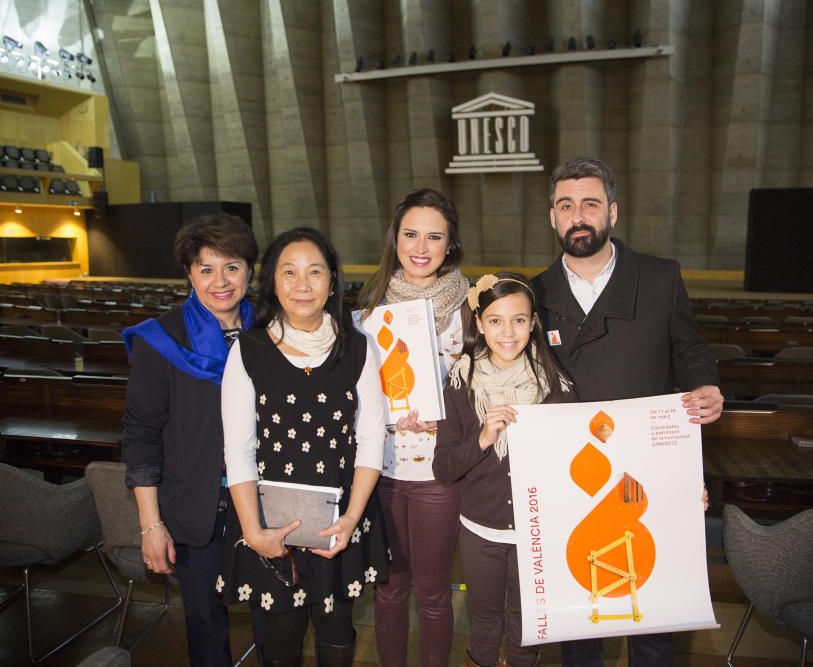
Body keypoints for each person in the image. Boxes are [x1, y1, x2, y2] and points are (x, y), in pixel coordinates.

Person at [532, 157, 723, 667]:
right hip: (575, 475)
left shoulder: (660, 278)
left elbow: (689, 347)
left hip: (647, 468)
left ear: (612, 212)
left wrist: (706, 384)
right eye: (566, 205)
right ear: (552, 217)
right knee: (581, 602)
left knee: (652, 606)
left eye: (590, 204)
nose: (578, 215)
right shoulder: (533, 293)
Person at [220, 227, 391, 667]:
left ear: (332, 281)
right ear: (272, 283)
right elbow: (237, 448)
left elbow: (371, 437)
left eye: (314, 272)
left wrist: (351, 518)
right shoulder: (249, 350)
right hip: (267, 522)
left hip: (340, 521)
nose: (302, 285)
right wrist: (253, 531)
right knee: (280, 641)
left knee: (336, 635)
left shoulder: (357, 347)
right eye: (289, 272)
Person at [121, 212, 262, 665]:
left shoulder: (271, 333)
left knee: (275, 621)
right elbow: (141, 437)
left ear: (249, 271)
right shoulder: (159, 339)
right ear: (189, 273)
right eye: (206, 269)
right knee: (205, 626)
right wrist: (150, 523)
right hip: (196, 509)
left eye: (232, 266)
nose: (220, 281)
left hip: (268, 503)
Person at [434, 272, 575, 667]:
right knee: (484, 624)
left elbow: (579, 462)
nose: (507, 332)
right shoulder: (460, 384)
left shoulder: (557, 387)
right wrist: (482, 438)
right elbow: (443, 468)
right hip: (481, 528)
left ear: (533, 323)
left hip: (537, 529)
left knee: (528, 626)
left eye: (519, 320)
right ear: (479, 324)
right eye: (495, 320)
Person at [358, 188, 470, 667]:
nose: (420, 247)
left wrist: (447, 412)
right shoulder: (369, 307)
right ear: (395, 239)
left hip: (437, 473)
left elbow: (483, 388)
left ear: (450, 245)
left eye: (433, 236)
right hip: (379, 470)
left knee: (433, 593)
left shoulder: (470, 306)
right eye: (410, 234)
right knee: (387, 589)